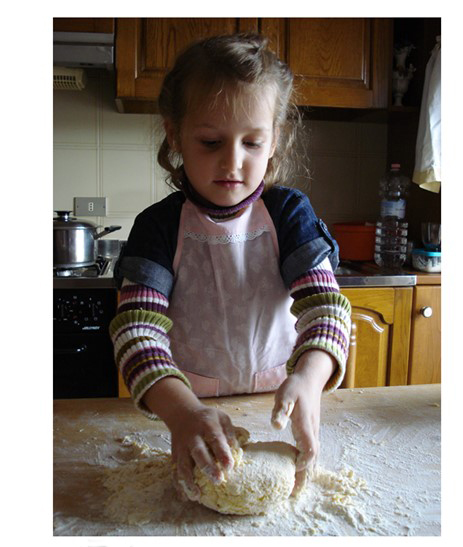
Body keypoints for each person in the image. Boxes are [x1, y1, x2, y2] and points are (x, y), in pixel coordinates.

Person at [111, 33, 351, 500]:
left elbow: (327, 307)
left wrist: (310, 377)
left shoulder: (289, 215)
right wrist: (181, 413)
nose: (233, 162)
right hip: (184, 410)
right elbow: (136, 332)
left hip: (278, 409)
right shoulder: (158, 227)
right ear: (175, 134)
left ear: (274, 141)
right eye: (211, 141)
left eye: (253, 143)